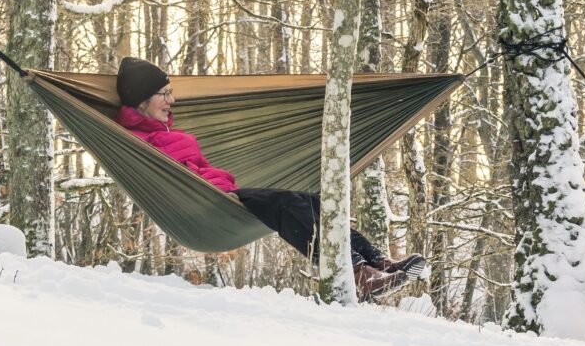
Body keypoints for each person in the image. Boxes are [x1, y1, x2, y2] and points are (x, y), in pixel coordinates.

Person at [113, 57, 426, 298]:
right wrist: (214, 190)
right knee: (287, 205)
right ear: (142, 99)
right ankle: (356, 273)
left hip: (220, 196)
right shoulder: (139, 140)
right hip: (205, 204)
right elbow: (175, 180)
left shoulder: (161, 132)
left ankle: (374, 261)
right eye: (164, 94)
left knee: (310, 200)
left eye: (171, 93)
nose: (172, 101)